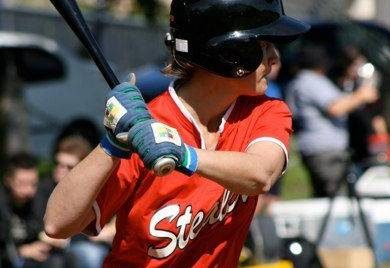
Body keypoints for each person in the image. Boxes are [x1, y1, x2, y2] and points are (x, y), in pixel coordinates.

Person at [44, 0, 310, 267]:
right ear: (231, 53)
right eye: (263, 46)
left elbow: (261, 175)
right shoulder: (145, 129)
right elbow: (57, 224)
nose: (274, 59)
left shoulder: (266, 111)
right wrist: (111, 145)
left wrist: (182, 154)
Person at [286, 45, 379, 197]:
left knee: (325, 197)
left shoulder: (298, 82)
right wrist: (361, 95)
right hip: (326, 152)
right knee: (337, 200)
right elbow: (335, 108)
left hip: (317, 151)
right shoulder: (311, 81)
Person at [35, 119, 114, 268]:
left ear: (81, 169)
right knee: (90, 255)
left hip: (93, 246)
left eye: (69, 166)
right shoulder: (44, 188)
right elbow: (42, 229)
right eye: (58, 164)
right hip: (60, 251)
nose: (61, 169)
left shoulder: (96, 188)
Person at [0, 152, 64, 268]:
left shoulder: (41, 199)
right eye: (22, 184)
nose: (29, 190)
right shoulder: (2, 204)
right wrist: (20, 251)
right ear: (8, 180)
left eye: (33, 184)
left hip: (40, 257)